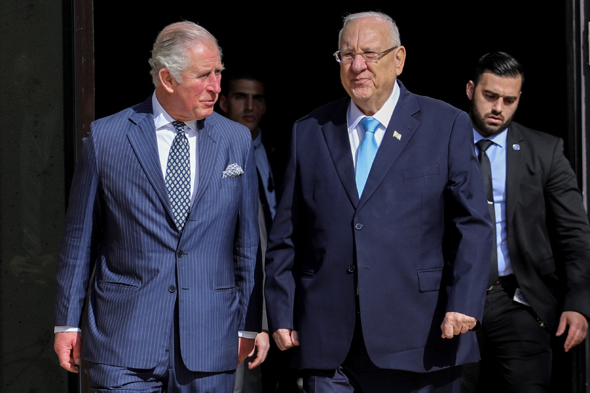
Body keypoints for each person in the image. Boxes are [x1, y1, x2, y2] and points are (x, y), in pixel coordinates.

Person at [264, 11, 493, 393]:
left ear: (399, 58)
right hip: (328, 342)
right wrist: (282, 310)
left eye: (370, 54)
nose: (357, 66)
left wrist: (465, 302)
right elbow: (287, 233)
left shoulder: (445, 124)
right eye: (346, 55)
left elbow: (472, 224)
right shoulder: (310, 131)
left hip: (419, 339)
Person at [53, 21, 261, 392]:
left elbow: (246, 245)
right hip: (123, 338)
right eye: (203, 75)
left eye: (218, 73)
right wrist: (67, 323)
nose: (216, 87)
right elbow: (78, 239)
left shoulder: (236, 141)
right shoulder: (108, 138)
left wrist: (249, 322)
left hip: (210, 341)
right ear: (166, 79)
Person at [461, 51, 590, 393]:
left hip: (518, 299)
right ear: (471, 89)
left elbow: (573, 232)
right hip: (454, 299)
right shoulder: (441, 145)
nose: (498, 108)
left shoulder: (544, 151)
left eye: (509, 100)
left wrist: (578, 302)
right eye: (490, 96)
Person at [219, 73, 301, 393]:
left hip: (282, 278)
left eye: (258, 99)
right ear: (224, 102)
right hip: (236, 287)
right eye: (241, 97)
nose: (250, 106)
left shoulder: (283, 148)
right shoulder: (214, 150)